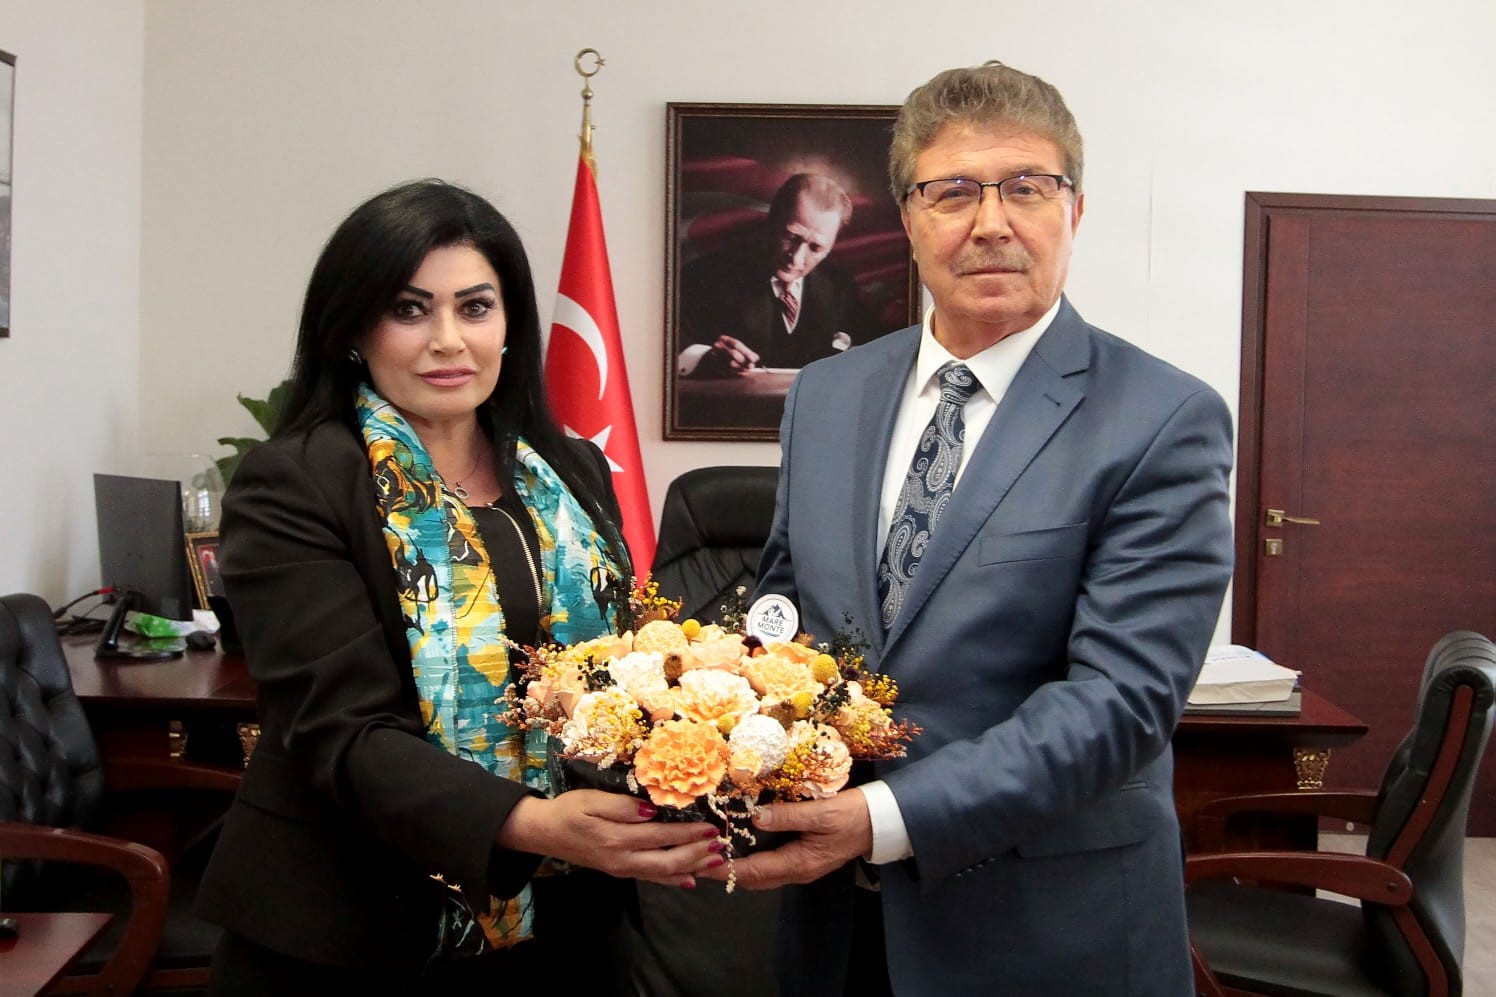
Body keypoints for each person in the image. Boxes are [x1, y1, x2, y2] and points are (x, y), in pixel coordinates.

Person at [702, 62, 1236, 997]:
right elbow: (786, 606)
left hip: (1045, 933)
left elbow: (1119, 701)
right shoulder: (826, 394)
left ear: (1075, 210)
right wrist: (701, 700)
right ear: (909, 221)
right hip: (835, 930)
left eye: (1026, 187)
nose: (991, 222)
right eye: (952, 192)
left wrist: (882, 816)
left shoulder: (1162, 418)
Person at [195, 179, 723, 994]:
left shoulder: (571, 471)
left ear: (509, 324)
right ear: (354, 327)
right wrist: (531, 823)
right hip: (353, 927)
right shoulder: (292, 483)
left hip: (570, 922)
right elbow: (340, 728)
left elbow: (620, 677)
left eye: (475, 307)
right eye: (410, 310)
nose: (449, 340)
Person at [676, 172, 867, 376]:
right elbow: (667, 342)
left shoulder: (838, 284)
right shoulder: (707, 275)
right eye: (791, 236)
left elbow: (870, 346)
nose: (796, 259)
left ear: (831, 245)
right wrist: (706, 357)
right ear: (772, 221)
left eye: (816, 248)